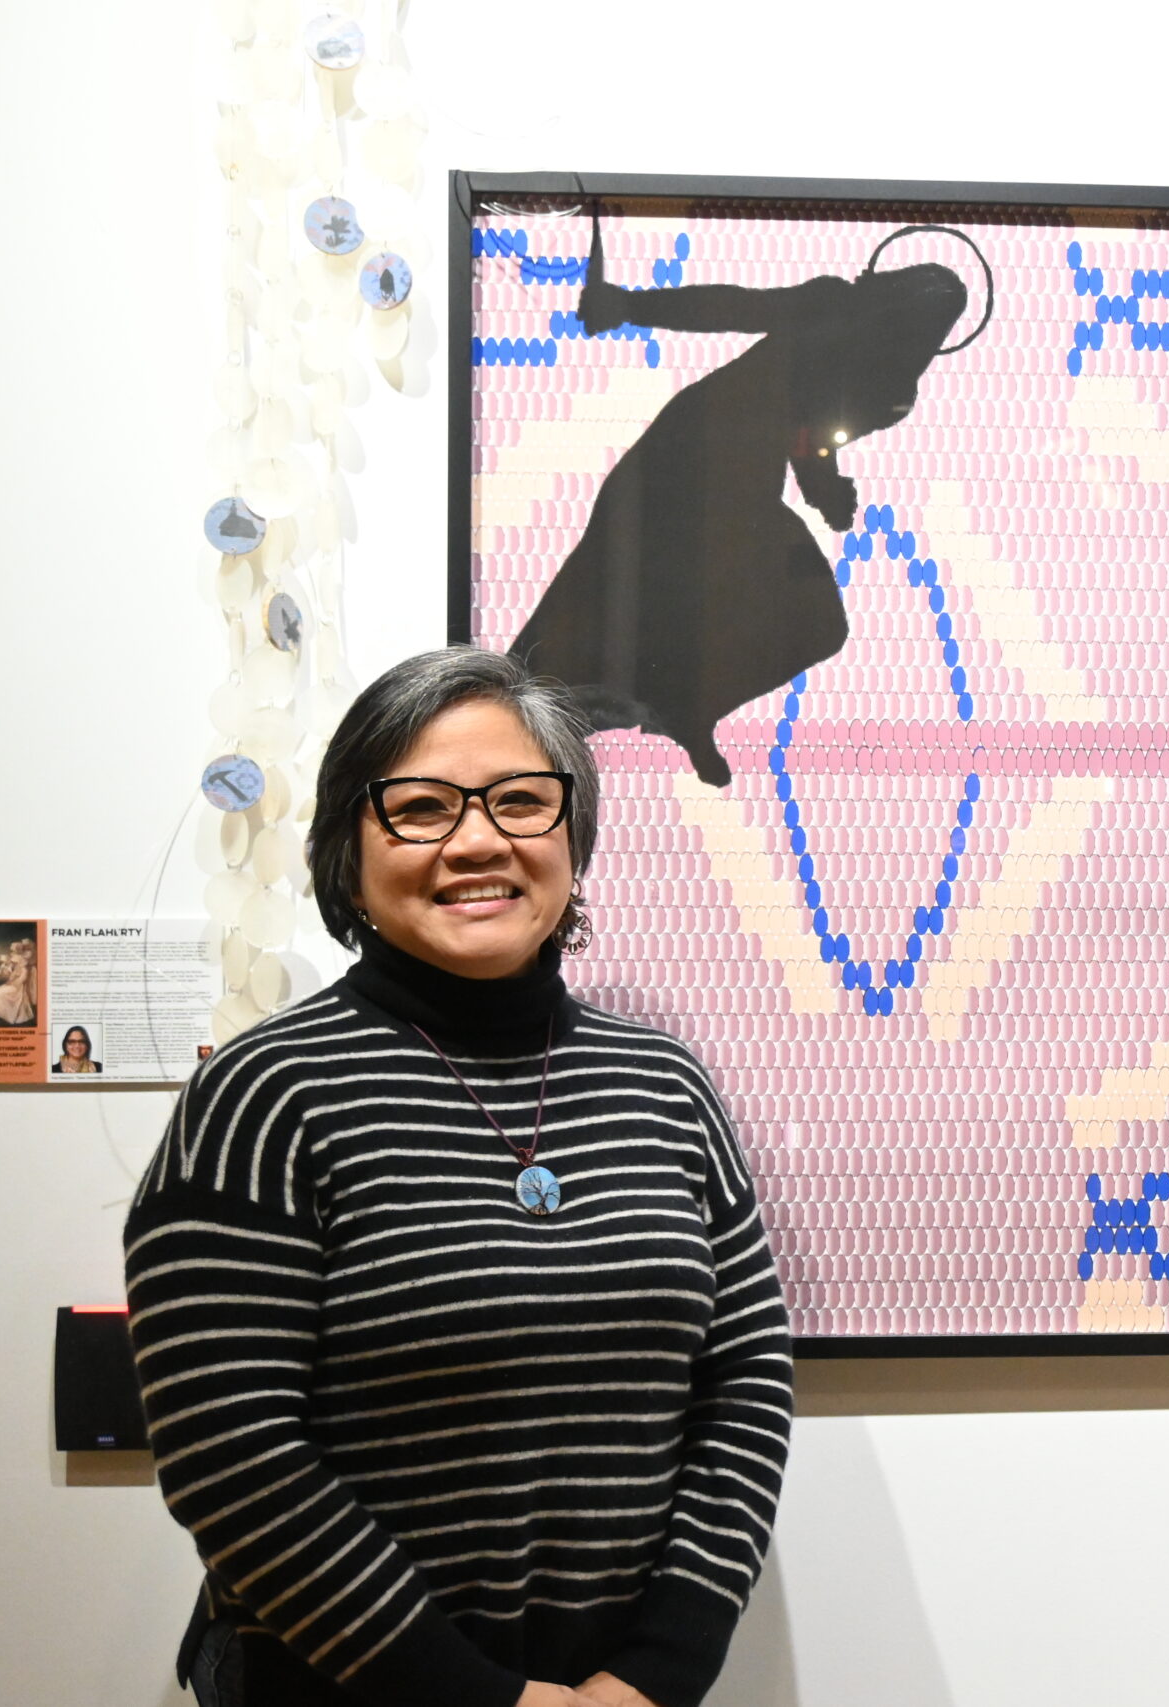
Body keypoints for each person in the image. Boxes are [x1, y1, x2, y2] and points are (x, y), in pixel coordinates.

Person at [125, 647, 794, 1707]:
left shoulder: (663, 1083)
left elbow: (745, 1380)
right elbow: (229, 1451)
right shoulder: (264, 1097)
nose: (477, 839)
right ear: (349, 847)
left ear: (573, 835)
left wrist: (656, 1672)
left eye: (522, 800)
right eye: (421, 807)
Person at [508, 215, 973, 787]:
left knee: (814, 621)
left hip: (739, 492)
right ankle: (512, 717)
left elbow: (809, 435)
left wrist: (825, 489)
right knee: (593, 594)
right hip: (686, 459)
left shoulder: (888, 391)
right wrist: (630, 306)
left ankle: (686, 706)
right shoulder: (832, 309)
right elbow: (730, 308)